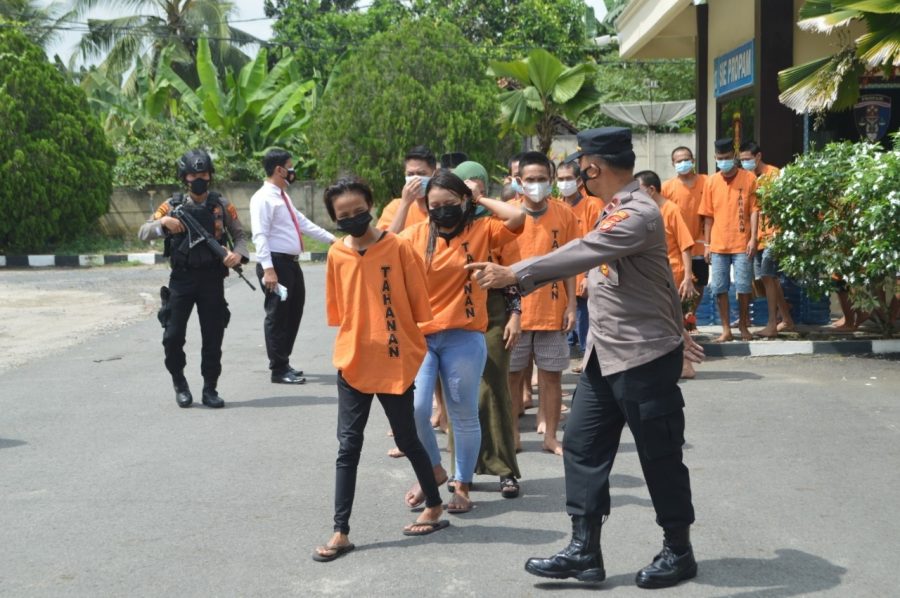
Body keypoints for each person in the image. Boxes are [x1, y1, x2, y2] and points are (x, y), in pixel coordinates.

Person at [466, 126, 703, 590]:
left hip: (643, 357)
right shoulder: (615, 209)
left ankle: (679, 549)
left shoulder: (637, 213)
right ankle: (584, 551)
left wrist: (513, 273)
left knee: (660, 457)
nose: (575, 177)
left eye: (580, 169)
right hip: (603, 355)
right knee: (582, 447)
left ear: (592, 168)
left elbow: (582, 251)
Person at [314, 177, 448, 563]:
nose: (353, 219)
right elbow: (340, 311)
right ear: (334, 219)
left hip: (394, 361)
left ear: (371, 206)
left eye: (359, 211)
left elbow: (420, 305)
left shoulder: (398, 247)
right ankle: (341, 531)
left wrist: (410, 346)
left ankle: (435, 506)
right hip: (354, 361)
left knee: (407, 439)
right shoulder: (337, 255)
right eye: (344, 216)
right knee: (348, 446)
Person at [399, 170, 525, 514]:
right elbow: (383, 247)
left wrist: (478, 196)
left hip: (465, 336)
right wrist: (407, 202)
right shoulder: (415, 235)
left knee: (463, 413)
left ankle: (462, 484)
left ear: (464, 202)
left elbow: (517, 217)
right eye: (434, 205)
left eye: (449, 203)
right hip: (421, 336)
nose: (441, 211)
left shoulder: (482, 229)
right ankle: (433, 471)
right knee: (417, 411)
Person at [139, 149, 249, 408]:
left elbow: (241, 236)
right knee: (173, 336)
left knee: (213, 336)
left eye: (203, 173)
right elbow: (143, 231)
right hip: (182, 280)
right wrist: (164, 222)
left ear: (210, 175)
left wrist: (238, 256)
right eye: (192, 174)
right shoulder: (172, 205)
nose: (198, 178)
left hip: (212, 280)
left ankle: (210, 388)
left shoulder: (222, 205)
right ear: (184, 177)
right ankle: (180, 382)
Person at [453, 160, 523, 498]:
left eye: (473, 183)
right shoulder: (443, 225)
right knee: (461, 394)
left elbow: (511, 275)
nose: (467, 188)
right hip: (454, 317)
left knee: (496, 390)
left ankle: (505, 470)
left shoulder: (492, 225)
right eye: (461, 184)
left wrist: (516, 315)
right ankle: (461, 471)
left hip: (493, 313)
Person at [507, 151, 578, 456]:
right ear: (519, 182)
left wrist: (572, 304)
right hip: (514, 313)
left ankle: (550, 435)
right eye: (530, 180)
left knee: (551, 376)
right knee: (511, 376)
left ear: (551, 182)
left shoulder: (564, 215)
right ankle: (512, 435)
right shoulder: (506, 215)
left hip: (552, 310)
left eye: (542, 179)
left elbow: (572, 264)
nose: (536, 185)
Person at [250, 149, 336, 384]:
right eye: (290, 166)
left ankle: (284, 360)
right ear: (279, 170)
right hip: (275, 264)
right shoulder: (263, 198)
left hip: (290, 264)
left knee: (294, 311)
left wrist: (332, 239)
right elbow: (260, 235)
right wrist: (268, 269)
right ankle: (278, 368)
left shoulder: (282, 196)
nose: (293, 171)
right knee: (277, 315)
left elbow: (302, 223)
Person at [635, 170, 698, 378]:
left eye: (638, 190)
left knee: (674, 322)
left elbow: (686, 245)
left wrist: (688, 277)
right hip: (653, 277)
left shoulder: (671, 210)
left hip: (673, 275)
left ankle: (686, 364)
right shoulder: (645, 212)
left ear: (651, 190)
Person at [699, 138, 759, 342]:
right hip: (718, 244)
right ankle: (726, 329)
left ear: (733, 157)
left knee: (743, 286)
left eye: (726, 158)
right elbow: (708, 216)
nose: (723, 162)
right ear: (715, 159)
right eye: (719, 158)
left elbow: (754, 210)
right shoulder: (711, 181)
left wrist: (753, 238)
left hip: (742, 243)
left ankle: (743, 325)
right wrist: (707, 245)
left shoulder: (749, 178)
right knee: (719, 287)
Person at [739, 141, 795, 337]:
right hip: (756, 237)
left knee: (769, 276)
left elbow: (784, 205)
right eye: (742, 160)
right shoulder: (746, 178)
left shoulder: (774, 174)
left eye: (747, 159)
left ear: (758, 157)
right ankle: (786, 319)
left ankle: (773, 323)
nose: (744, 163)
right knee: (766, 279)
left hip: (774, 234)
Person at [557, 158, 604, 371]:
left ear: (578, 181)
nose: (564, 183)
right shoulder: (555, 206)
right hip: (562, 275)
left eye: (568, 179)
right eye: (560, 179)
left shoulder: (593, 205)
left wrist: (587, 275)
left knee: (586, 319)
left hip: (584, 273)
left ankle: (589, 361)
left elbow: (596, 241)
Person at [661, 147, 709, 321]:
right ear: (673, 164)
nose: (683, 163)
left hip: (701, 244)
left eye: (686, 159)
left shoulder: (706, 182)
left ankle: (690, 317)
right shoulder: (667, 187)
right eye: (678, 161)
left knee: (700, 283)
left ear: (693, 160)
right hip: (676, 247)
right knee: (678, 283)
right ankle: (679, 319)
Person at [378, 145, 438, 233]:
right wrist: (405, 204)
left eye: (421, 174)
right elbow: (386, 243)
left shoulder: (442, 204)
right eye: (410, 174)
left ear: (434, 174)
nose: (415, 179)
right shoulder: (395, 207)